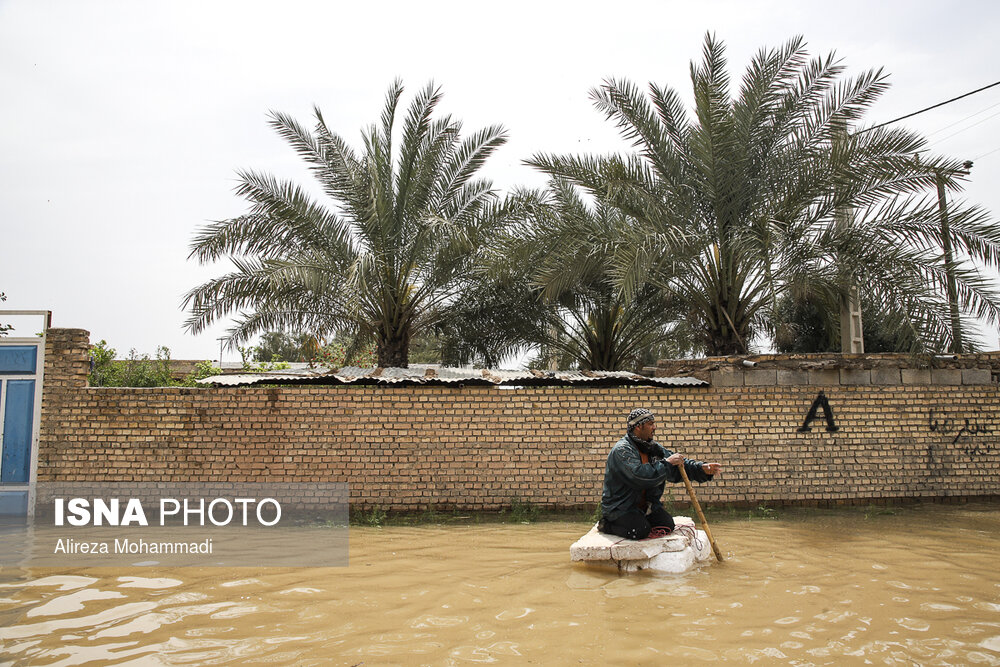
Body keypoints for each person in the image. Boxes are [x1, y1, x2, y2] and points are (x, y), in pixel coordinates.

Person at [598, 408, 722, 540]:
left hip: (646, 506)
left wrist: (701, 468)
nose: (654, 427)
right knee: (639, 530)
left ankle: (641, 517)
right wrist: (667, 463)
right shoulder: (622, 450)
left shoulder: (652, 447)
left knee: (667, 525)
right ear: (639, 427)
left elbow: (677, 466)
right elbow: (639, 476)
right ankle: (607, 525)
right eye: (650, 424)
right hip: (620, 508)